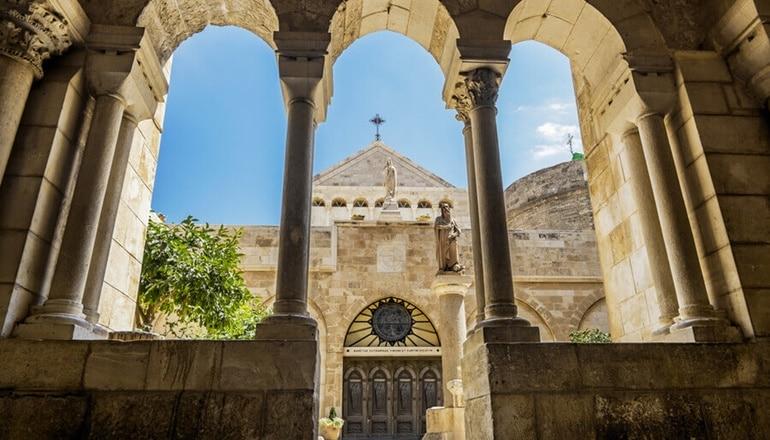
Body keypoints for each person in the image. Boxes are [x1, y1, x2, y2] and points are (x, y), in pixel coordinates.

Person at [434, 202, 465, 273]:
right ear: (441, 210)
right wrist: (446, 227)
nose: (445, 209)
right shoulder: (438, 219)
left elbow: (459, 231)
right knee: (443, 255)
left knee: (453, 252)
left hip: (451, 240)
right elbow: (436, 227)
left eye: (447, 207)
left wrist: (453, 235)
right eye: (443, 208)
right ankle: (443, 267)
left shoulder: (452, 220)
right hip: (442, 241)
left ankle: (454, 266)